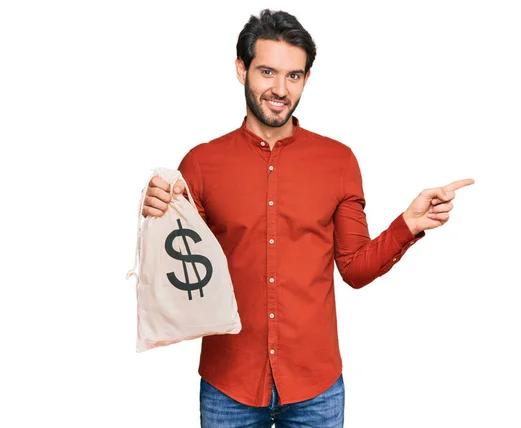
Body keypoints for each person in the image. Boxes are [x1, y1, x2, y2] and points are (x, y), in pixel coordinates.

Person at [141, 9, 474, 428]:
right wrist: (157, 216)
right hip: (230, 385)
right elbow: (181, 269)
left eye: (294, 76)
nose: (280, 88)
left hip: (316, 388)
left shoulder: (338, 161)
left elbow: (354, 268)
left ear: (306, 79)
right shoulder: (201, 164)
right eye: (267, 71)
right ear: (241, 70)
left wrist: (407, 224)